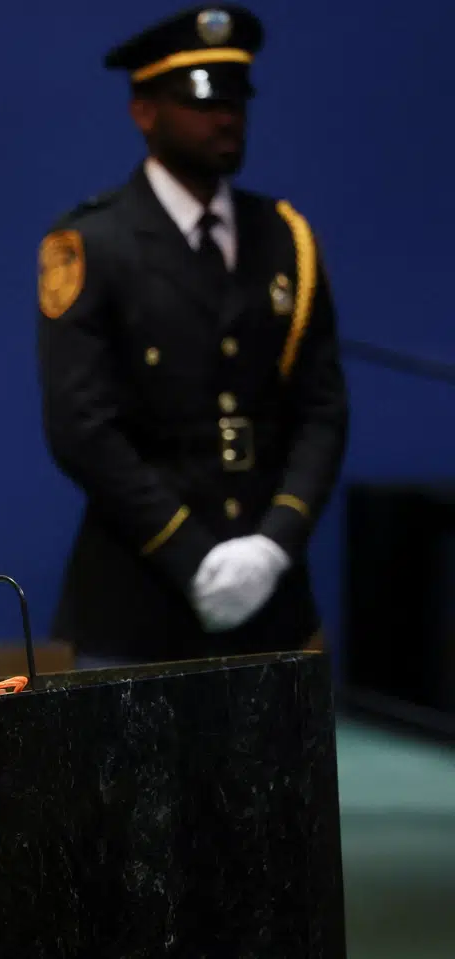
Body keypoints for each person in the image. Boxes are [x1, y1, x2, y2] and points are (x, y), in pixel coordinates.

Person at [36, 6, 349, 667]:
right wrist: (190, 552)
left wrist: (274, 543)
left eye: (236, 97)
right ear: (143, 111)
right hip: (139, 596)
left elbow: (323, 407)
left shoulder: (286, 237)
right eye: (201, 98)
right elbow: (80, 426)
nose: (225, 116)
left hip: (272, 602)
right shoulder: (92, 243)